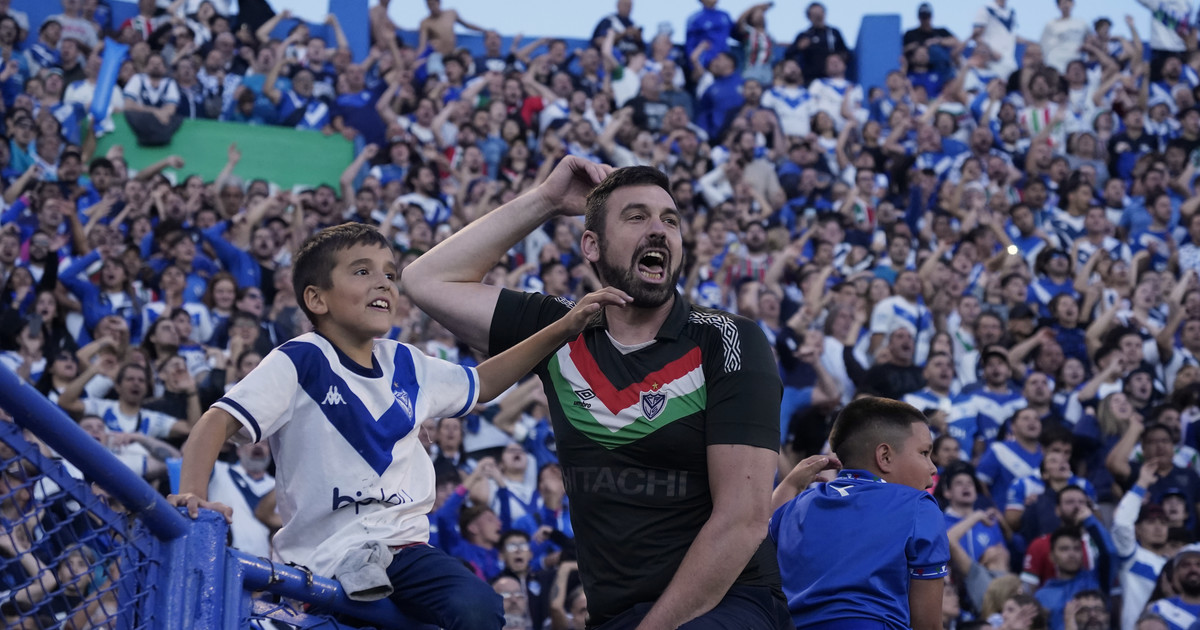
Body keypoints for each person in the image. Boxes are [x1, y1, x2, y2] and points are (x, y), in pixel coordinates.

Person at [168, 223, 626, 629]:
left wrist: (563, 328)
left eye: (390, 274)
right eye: (362, 271)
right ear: (316, 298)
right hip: (321, 558)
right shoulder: (300, 358)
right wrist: (193, 495)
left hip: (400, 550)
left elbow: (483, 383)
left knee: (478, 607)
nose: (383, 283)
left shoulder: (407, 361)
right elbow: (216, 422)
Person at [402, 161, 790, 628]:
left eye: (670, 221)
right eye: (636, 217)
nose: (658, 230)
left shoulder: (728, 340)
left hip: (727, 604)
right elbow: (425, 281)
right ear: (591, 245)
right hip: (613, 615)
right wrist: (546, 200)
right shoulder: (560, 327)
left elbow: (742, 520)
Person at [769, 397, 947, 630]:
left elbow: (762, 533)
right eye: (924, 453)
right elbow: (928, 625)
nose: (932, 468)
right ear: (885, 456)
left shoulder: (795, 507)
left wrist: (790, 485)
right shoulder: (919, 506)